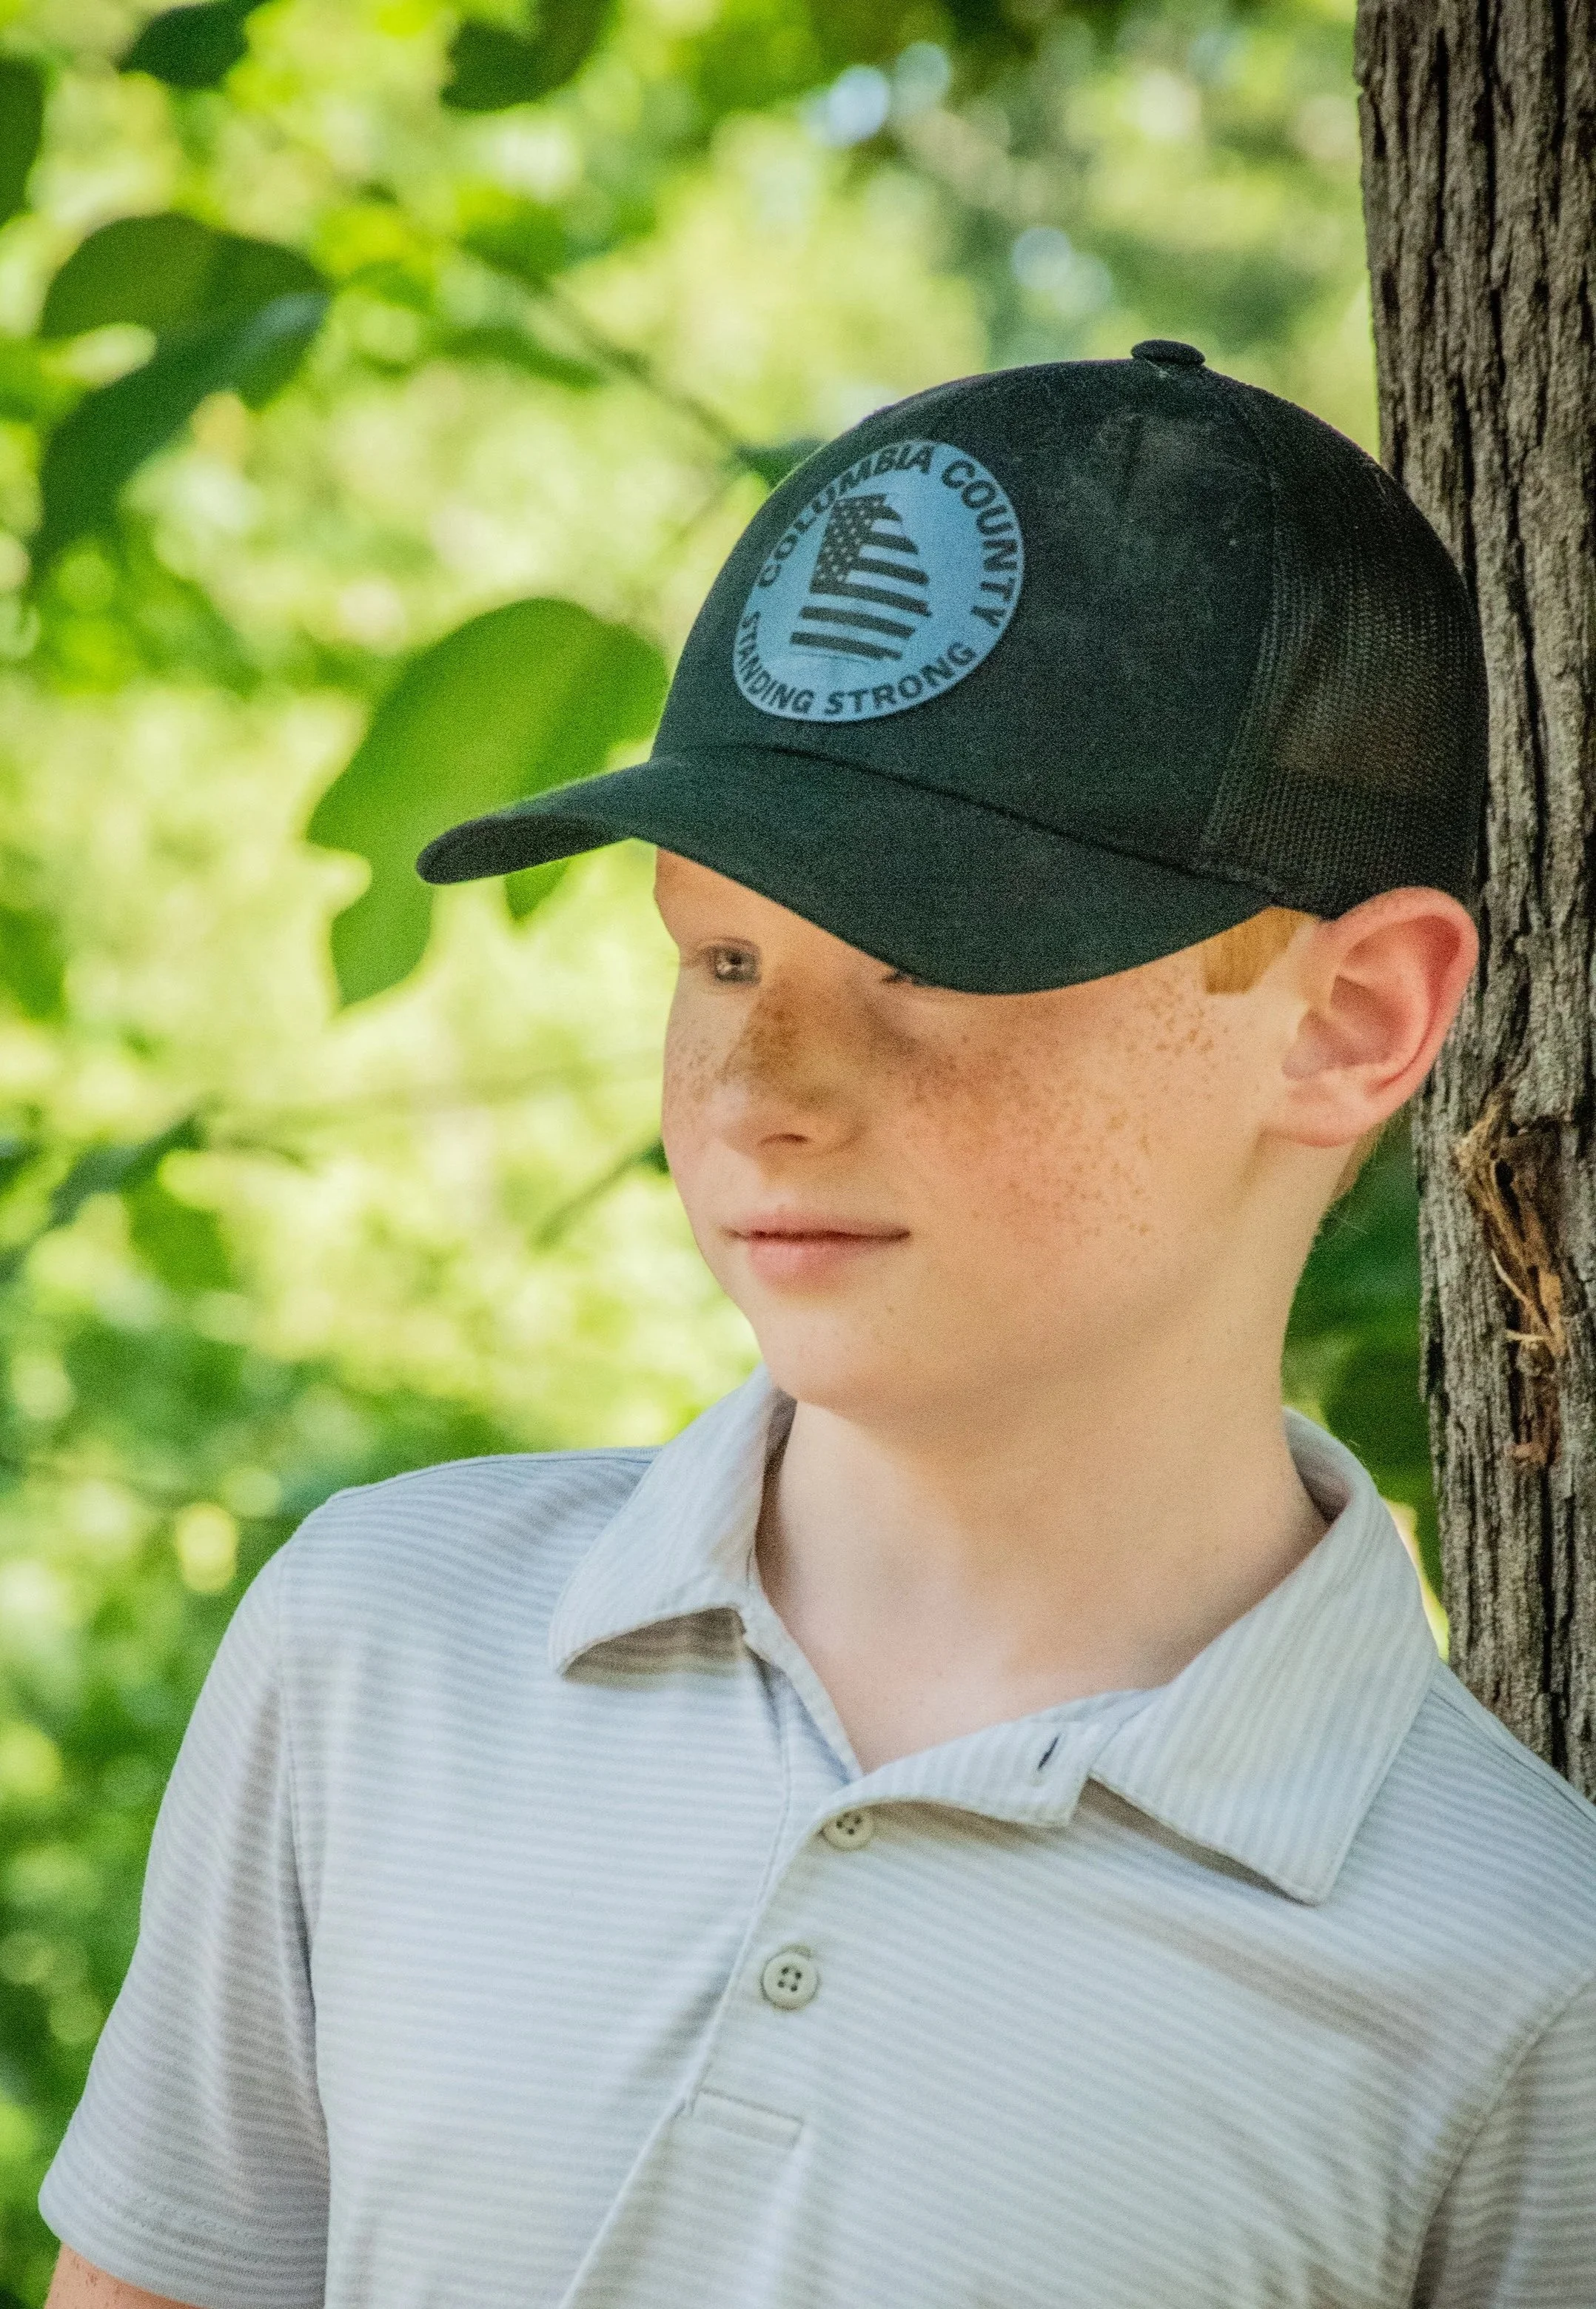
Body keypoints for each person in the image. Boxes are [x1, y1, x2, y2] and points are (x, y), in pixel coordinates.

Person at [39, 343, 1596, 2309]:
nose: (762, 1084)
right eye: (722, 949)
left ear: (1351, 1017)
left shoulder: (1518, 1979)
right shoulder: (382, 1647)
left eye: (931, 958)